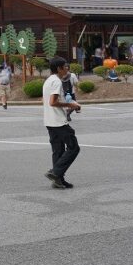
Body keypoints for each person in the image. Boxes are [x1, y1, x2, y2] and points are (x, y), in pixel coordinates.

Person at [43, 56, 81, 189]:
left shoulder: (48, 80)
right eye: (65, 67)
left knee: (58, 151)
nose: (67, 69)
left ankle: (58, 179)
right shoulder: (56, 82)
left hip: (49, 121)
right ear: (58, 69)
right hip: (58, 122)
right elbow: (52, 102)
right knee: (74, 147)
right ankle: (55, 172)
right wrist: (72, 105)